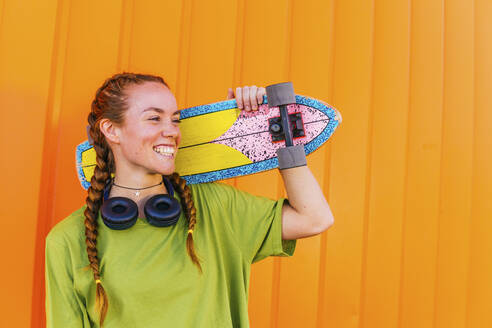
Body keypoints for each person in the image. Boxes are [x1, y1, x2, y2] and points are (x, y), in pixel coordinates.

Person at [45, 73, 334, 327]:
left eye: (175, 120)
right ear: (111, 130)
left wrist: (274, 130)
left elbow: (314, 218)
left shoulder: (214, 207)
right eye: (154, 118)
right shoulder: (68, 241)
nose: (172, 131)